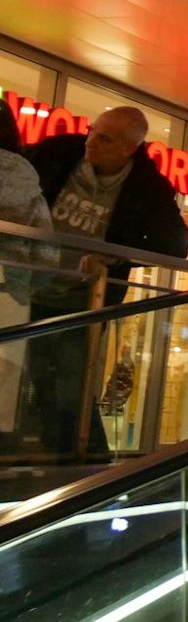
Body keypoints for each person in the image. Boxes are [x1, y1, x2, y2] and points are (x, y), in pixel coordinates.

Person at [26, 105, 188, 455]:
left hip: (87, 300)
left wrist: (118, 254)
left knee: (73, 384)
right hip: (31, 288)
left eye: (104, 138)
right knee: (32, 375)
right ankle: (51, 453)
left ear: (128, 149)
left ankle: (85, 460)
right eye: (92, 131)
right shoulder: (60, 152)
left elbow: (175, 246)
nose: (91, 142)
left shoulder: (147, 187)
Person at [0, 106, 52, 446]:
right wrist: (29, 285)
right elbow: (47, 254)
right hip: (12, 293)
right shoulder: (29, 184)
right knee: (4, 380)